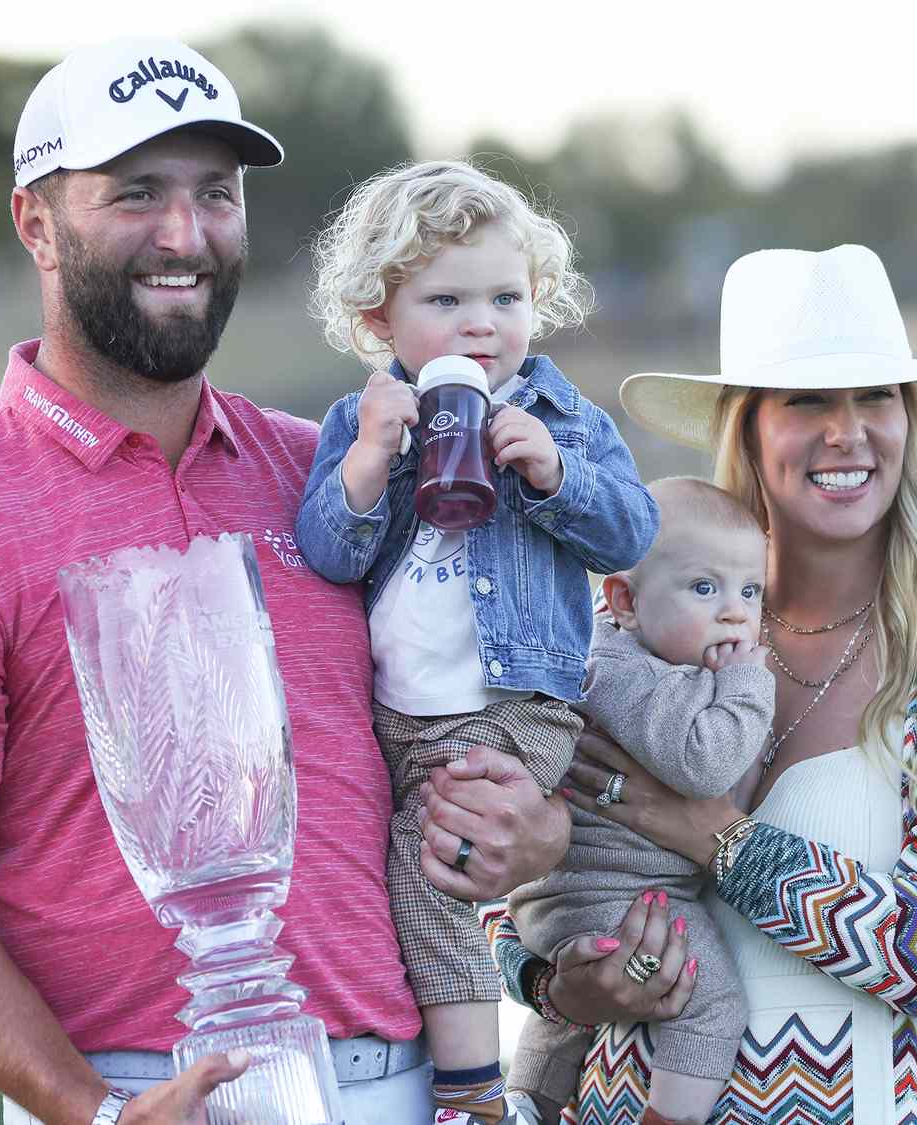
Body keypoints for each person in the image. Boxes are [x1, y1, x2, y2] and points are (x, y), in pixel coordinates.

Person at [0, 39, 569, 1125]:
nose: (186, 235)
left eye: (216, 194)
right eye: (136, 195)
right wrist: (95, 1113)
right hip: (138, 1092)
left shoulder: (334, 476)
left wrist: (536, 833)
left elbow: (463, 732)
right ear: (36, 222)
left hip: (410, 1084)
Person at [474, 244, 917, 1124]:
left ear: (911, 418)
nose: (847, 430)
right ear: (748, 425)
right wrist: (552, 981)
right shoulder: (644, 619)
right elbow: (494, 858)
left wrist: (724, 842)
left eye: (876, 395)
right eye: (808, 400)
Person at [294, 159, 659, 1125]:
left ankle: (469, 1095)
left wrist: (552, 476)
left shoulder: (563, 418)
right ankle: (399, 1061)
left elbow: (630, 534)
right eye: (444, 299)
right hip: (398, 710)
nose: (479, 323)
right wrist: (375, 455)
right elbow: (328, 553)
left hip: (511, 703)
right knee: (381, 870)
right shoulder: (361, 419)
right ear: (381, 321)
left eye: (505, 296)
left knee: (434, 870)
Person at [506, 476, 774, 1123]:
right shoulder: (620, 670)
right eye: (704, 588)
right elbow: (707, 762)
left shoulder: (631, 660)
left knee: (568, 1016)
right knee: (711, 1004)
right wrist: (746, 680)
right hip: (614, 899)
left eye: (751, 590)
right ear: (623, 600)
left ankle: (528, 1099)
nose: (735, 612)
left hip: (574, 902)